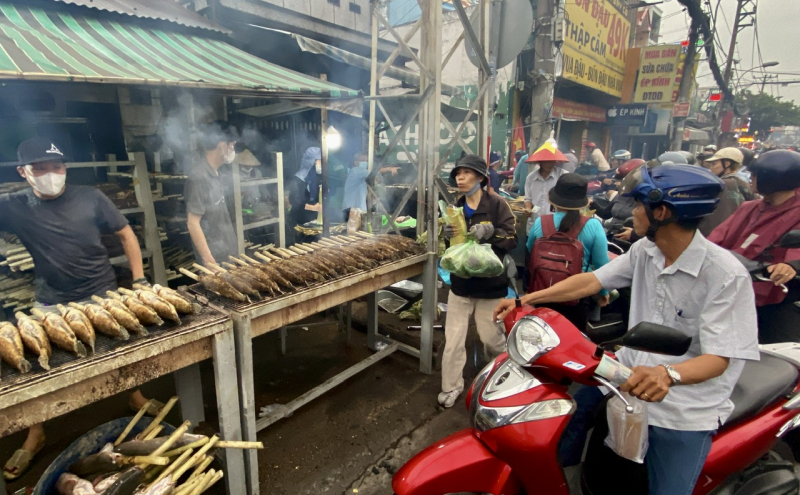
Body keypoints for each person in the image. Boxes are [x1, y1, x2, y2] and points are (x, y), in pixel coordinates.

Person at [495, 164, 759, 495]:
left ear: (661, 212)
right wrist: (526, 299)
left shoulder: (725, 276)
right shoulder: (646, 251)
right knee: (568, 418)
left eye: (638, 205)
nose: (631, 212)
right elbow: (592, 280)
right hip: (625, 379)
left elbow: (720, 358)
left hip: (684, 408)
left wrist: (668, 375)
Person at [0, 137, 155, 480]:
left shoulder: (91, 197)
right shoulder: (13, 206)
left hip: (100, 292)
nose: (50, 174)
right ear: (23, 172)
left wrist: (140, 279)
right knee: (34, 368)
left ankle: (136, 396)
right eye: (40, 168)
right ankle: (35, 432)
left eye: (57, 167)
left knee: (123, 347)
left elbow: (127, 233)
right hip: (50, 301)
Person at [439, 154, 517, 408]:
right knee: (453, 342)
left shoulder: (497, 205)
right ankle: (451, 387)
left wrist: (492, 232)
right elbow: (450, 247)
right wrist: (446, 232)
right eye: (458, 174)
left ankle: (500, 380)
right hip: (460, 286)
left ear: (481, 178)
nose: (460, 178)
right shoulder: (454, 207)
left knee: (492, 340)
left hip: (490, 288)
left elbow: (512, 239)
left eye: (466, 173)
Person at [708, 149, 800, 345]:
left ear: (774, 178)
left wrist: (791, 265)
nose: (750, 178)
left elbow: (796, 249)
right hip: (732, 286)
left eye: (755, 175)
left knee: (784, 353)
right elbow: (717, 237)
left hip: (775, 293)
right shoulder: (749, 207)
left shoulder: (797, 212)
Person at [526, 173, 610, 330]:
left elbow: (531, 252)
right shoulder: (593, 225)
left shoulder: (540, 222)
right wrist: (603, 291)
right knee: (572, 342)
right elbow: (601, 264)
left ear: (554, 199)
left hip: (542, 292)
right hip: (577, 297)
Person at [185, 121, 239, 265]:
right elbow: (193, 223)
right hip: (215, 259)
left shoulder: (215, 173)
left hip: (227, 253)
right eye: (232, 145)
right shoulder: (199, 176)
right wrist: (209, 260)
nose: (233, 150)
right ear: (222, 145)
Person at [698, 147, 754, 236]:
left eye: (714, 164)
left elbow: (713, 221)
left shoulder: (719, 185)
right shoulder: (744, 184)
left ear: (727, 164)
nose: (711, 168)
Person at [524, 139, 568, 233]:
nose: (550, 164)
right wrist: (528, 208)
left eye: (552, 161)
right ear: (540, 161)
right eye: (546, 161)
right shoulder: (531, 178)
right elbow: (528, 199)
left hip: (555, 227)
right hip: (534, 225)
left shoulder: (563, 176)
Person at [341, 153, 398, 221]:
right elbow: (374, 172)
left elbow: (363, 191)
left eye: (367, 160)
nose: (366, 162)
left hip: (357, 210)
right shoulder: (356, 171)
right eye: (363, 160)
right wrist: (389, 169)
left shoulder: (362, 176)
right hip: (351, 209)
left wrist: (373, 199)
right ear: (356, 163)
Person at [287, 147, 323, 242]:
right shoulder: (298, 179)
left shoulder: (319, 176)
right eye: (318, 161)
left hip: (313, 220)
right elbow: (293, 200)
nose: (321, 163)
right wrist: (313, 207)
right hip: (300, 219)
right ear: (310, 162)